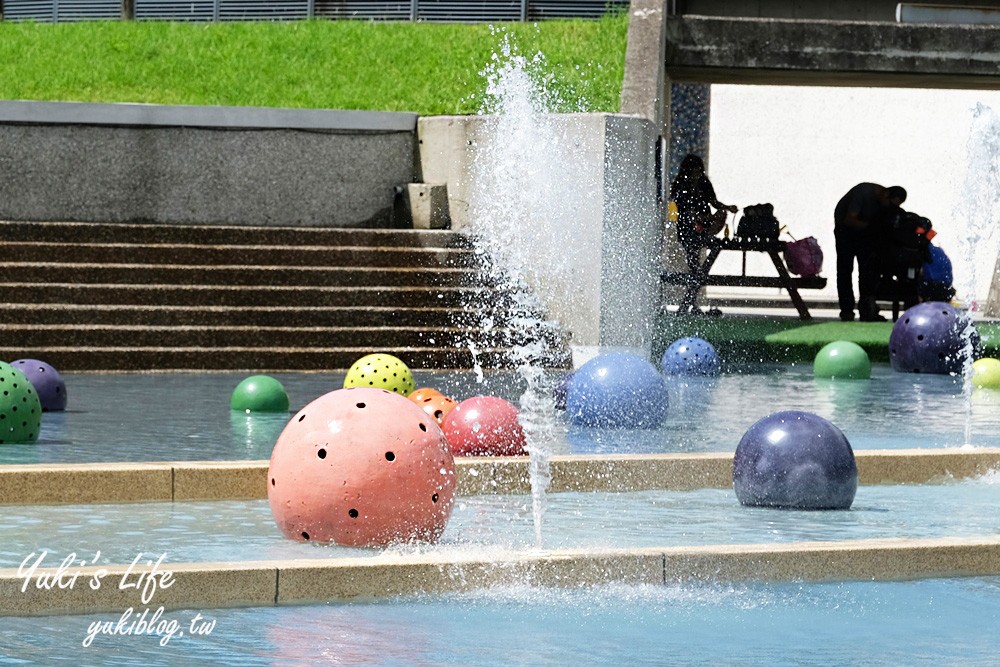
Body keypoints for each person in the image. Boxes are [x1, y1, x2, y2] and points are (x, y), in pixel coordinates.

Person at [833, 182, 907, 322]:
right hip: (846, 233)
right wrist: (872, 227)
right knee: (845, 271)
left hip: (864, 235)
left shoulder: (882, 201)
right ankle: (847, 311)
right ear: (885, 194)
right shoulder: (862, 193)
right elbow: (850, 220)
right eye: (890, 204)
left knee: (867, 272)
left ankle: (867, 311)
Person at [669, 154, 738, 273]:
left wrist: (727, 207)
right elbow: (679, 204)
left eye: (699, 170)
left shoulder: (704, 182)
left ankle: (707, 236)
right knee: (692, 255)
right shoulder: (680, 183)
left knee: (721, 213)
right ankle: (695, 274)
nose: (697, 174)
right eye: (694, 171)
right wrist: (693, 216)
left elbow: (714, 202)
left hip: (705, 221)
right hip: (688, 224)